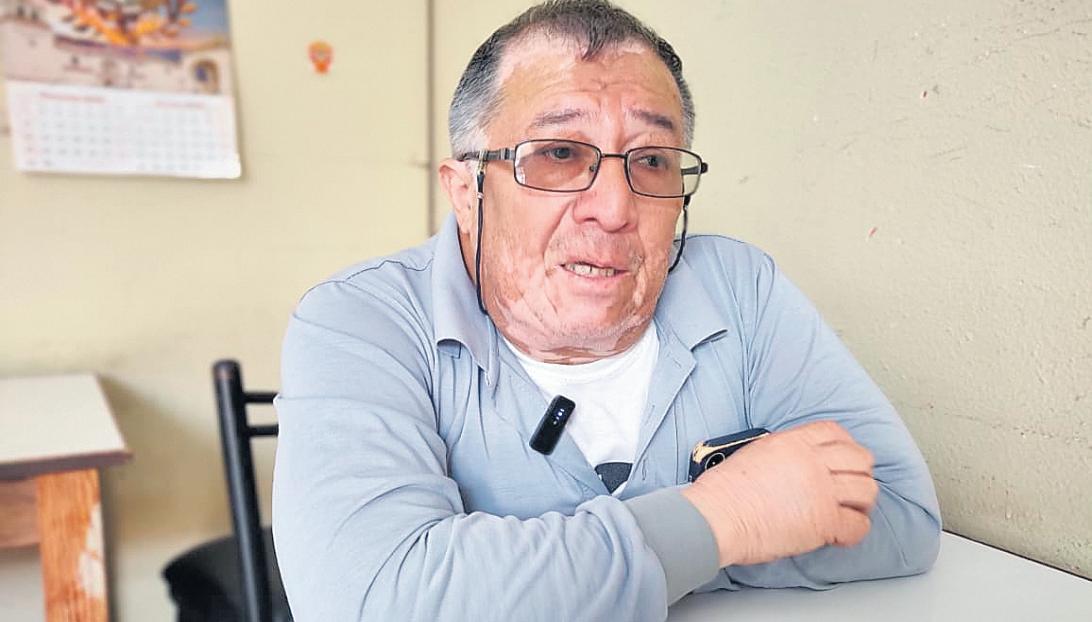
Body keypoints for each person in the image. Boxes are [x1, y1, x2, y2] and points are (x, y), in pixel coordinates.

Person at [272, 1, 942, 620]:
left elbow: (899, 515)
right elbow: (371, 599)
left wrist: (546, 576)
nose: (616, 208)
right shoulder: (361, 321)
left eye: (650, 161)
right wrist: (725, 519)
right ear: (465, 190)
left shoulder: (741, 288)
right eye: (559, 154)